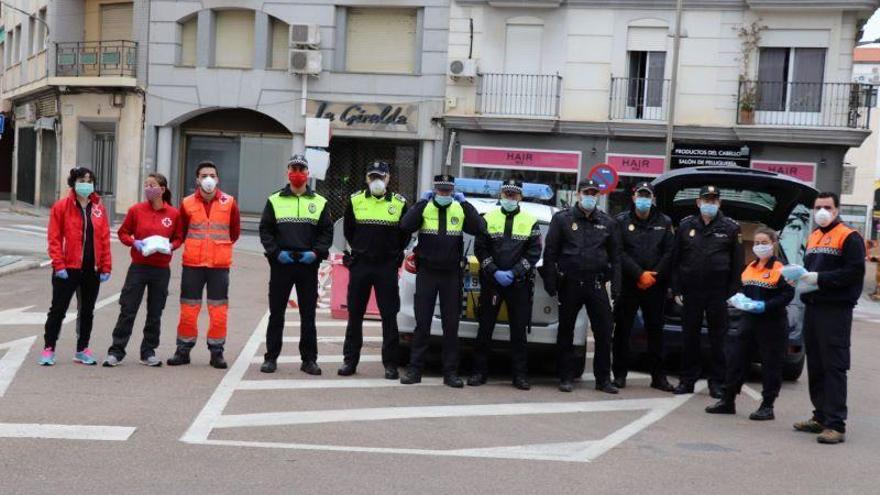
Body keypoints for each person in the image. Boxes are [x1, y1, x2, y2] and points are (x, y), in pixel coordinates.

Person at [785, 192, 864, 444]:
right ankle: (819, 416)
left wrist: (819, 279)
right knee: (816, 364)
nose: (822, 211)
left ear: (837, 209)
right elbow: (809, 270)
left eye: (827, 207)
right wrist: (799, 278)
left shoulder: (849, 236)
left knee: (834, 366)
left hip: (835, 309)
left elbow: (853, 272)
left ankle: (835, 424)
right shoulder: (814, 236)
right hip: (814, 306)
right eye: (818, 207)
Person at [398, 174, 485, 387]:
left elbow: (480, 227)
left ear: (453, 190)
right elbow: (405, 225)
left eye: (448, 190)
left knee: (451, 326)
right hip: (427, 272)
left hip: (451, 275)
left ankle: (450, 373)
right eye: (441, 190)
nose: (444, 193)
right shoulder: (426, 207)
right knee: (422, 324)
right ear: (435, 190)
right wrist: (420, 203)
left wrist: (466, 205)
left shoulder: (459, 208)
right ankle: (415, 371)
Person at [706, 226, 794, 419]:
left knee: (771, 365)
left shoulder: (782, 269)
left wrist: (765, 305)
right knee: (736, 360)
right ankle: (728, 400)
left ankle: (767, 406)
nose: (760, 246)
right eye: (756, 243)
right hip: (749, 321)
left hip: (772, 324)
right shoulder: (749, 268)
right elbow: (743, 291)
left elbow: (788, 295)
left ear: (774, 244)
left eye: (764, 243)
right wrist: (738, 300)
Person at [542, 179, 621, 394]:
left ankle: (603, 379)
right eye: (587, 192)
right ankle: (565, 377)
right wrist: (551, 284)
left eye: (594, 193)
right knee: (566, 331)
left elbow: (616, 257)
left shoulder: (607, 222)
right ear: (578, 194)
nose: (590, 196)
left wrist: (616, 287)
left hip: (596, 284)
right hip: (570, 283)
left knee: (604, 331)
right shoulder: (562, 220)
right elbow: (550, 254)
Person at [258, 155, 333, 375]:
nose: (298, 172)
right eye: (294, 168)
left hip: (307, 266)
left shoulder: (319, 202)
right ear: (287, 171)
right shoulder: (275, 200)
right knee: (277, 314)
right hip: (282, 264)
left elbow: (326, 231)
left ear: (308, 173)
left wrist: (317, 253)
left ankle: (309, 360)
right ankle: (271, 358)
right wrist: (275, 253)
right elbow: (265, 229)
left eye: (302, 169)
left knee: (308, 315)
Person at [167, 161, 241, 369]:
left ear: (217, 179)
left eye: (212, 175)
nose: (208, 179)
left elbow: (234, 232)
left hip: (219, 266)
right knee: (188, 310)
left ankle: (216, 352)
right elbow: (180, 232)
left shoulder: (229, 202)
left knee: (218, 312)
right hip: (193, 264)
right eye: (204, 175)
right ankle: (183, 350)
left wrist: (218, 249)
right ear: (197, 179)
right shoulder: (187, 203)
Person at [671, 185, 742, 398]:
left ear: (719, 203)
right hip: (691, 291)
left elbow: (738, 264)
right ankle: (687, 380)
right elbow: (676, 260)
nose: (709, 204)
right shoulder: (685, 226)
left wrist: (732, 292)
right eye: (706, 200)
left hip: (718, 292)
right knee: (689, 338)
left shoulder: (731, 228)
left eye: (713, 200)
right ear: (698, 203)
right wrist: (676, 289)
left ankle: (717, 382)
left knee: (718, 339)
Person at [339, 161, 409, 379]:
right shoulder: (355, 200)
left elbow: (404, 234)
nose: (376, 181)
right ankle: (350, 361)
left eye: (380, 177)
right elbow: (348, 230)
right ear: (366, 179)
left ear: (388, 178)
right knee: (355, 315)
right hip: (361, 265)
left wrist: (394, 255)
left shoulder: (399, 203)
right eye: (372, 177)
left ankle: (390, 364)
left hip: (386, 267)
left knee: (389, 316)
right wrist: (358, 252)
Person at [470, 179, 542, 390]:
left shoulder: (531, 221)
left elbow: (534, 252)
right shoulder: (487, 218)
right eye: (507, 193)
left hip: (518, 283)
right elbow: (480, 249)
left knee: (518, 333)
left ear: (520, 197)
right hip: (492, 282)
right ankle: (478, 373)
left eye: (514, 194)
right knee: (484, 329)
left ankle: (519, 376)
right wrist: (494, 271)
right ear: (501, 194)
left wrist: (515, 272)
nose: (510, 197)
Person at [103, 174, 182, 367]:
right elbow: (123, 233)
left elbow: (179, 237)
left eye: (152, 185)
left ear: (162, 189)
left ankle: (148, 351)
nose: (148, 188)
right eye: (146, 185)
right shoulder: (136, 210)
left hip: (161, 270)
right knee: (128, 309)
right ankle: (116, 351)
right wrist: (134, 242)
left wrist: (171, 246)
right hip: (138, 267)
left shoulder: (173, 214)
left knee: (155, 312)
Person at [41, 167, 112, 366]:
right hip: (67, 268)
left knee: (87, 310)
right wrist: (58, 264)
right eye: (82, 179)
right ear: (73, 182)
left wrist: (106, 266)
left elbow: (104, 238)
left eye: (90, 180)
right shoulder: (62, 206)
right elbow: (54, 238)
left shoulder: (98, 208)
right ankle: (49, 348)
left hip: (92, 269)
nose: (86, 183)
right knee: (58, 309)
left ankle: (82, 349)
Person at [612, 182, 675, 392]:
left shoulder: (665, 222)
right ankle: (619, 375)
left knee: (656, 331)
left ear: (653, 199)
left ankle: (658, 377)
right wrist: (639, 274)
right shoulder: (621, 221)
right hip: (630, 284)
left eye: (647, 196)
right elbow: (618, 252)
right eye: (640, 195)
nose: (644, 199)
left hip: (655, 285)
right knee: (623, 331)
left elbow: (669, 252)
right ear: (633, 197)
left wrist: (653, 275)